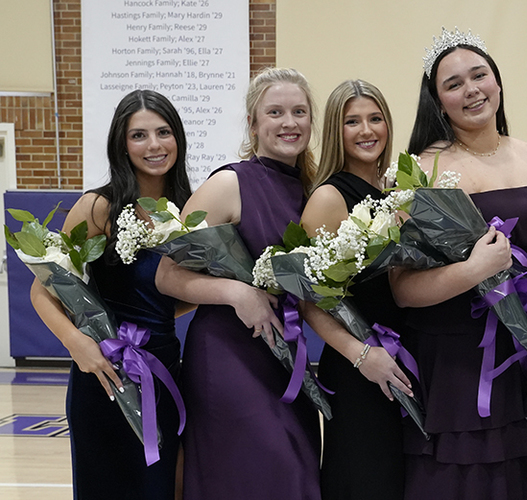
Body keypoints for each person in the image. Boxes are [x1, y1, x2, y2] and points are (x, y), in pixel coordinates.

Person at [389, 28, 527, 500]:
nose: (471, 90)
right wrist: (474, 270)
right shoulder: (423, 170)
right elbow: (403, 288)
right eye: (453, 84)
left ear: (498, 83)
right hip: (460, 357)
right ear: (438, 102)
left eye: (479, 75)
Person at [155, 67, 321, 499]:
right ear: (253, 124)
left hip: (287, 358)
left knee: (298, 470)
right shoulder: (230, 182)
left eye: (299, 111)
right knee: (260, 470)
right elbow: (168, 274)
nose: (290, 122)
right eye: (276, 112)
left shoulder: (314, 188)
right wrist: (236, 292)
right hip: (229, 354)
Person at [29, 89, 192, 499]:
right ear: (121, 144)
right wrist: (77, 344)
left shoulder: (188, 209)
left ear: (179, 139)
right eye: (139, 135)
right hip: (102, 377)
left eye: (163, 132)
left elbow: (179, 293)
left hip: (163, 371)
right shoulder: (98, 207)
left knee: (160, 487)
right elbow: (42, 289)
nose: (154, 145)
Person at [297, 79, 411, 500]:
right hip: (360, 368)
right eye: (352, 121)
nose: (367, 130)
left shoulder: (396, 192)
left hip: (402, 358)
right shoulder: (329, 197)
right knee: (365, 480)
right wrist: (362, 356)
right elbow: (311, 300)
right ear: (335, 131)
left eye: (375, 118)